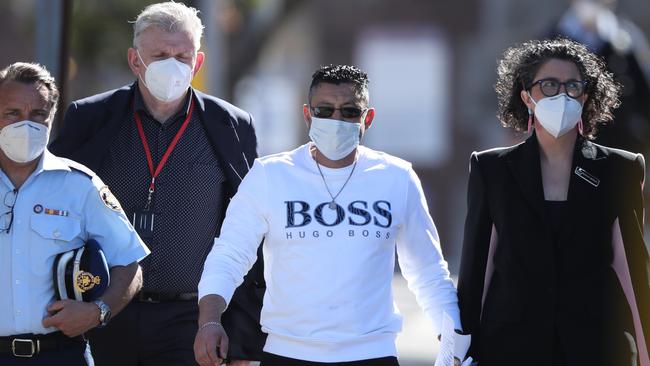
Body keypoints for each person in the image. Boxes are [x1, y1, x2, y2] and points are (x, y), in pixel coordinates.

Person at [194, 64, 462, 366]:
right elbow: (230, 256)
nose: (337, 119)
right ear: (308, 115)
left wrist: (452, 341)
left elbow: (428, 272)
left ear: (368, 118)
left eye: (349, 111)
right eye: (325, 110)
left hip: (372, 354)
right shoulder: (270, 175)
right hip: (288, 353)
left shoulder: (397, 178)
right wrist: (210, 321)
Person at [49, 2, 265, 365]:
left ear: (198, 63)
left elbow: (250, 232)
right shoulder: (89, 118)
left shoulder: (232, 125)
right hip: (102, 314)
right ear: (135, 61)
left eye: (182, 55)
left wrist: (241, 336)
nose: (173, 64)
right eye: (161, 54)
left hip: (189, 319)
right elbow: (55, 206)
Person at [457, 38, 650, 366]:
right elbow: (478, 271)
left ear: (585, 96)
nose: (561, 95)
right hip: (509, 347)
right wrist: (460, 349)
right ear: (527, 98)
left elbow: (631, 269)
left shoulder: (621, 167)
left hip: (597, 347)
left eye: (572, 86)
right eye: (548, 85)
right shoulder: (492, 170)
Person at [0, 62, 149, 365]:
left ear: (52, 118)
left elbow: (130, 265)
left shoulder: (80, 186)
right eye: (12, 113)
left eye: (38, 114)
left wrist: (98, 312)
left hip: (61, 355)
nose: (25, 124)